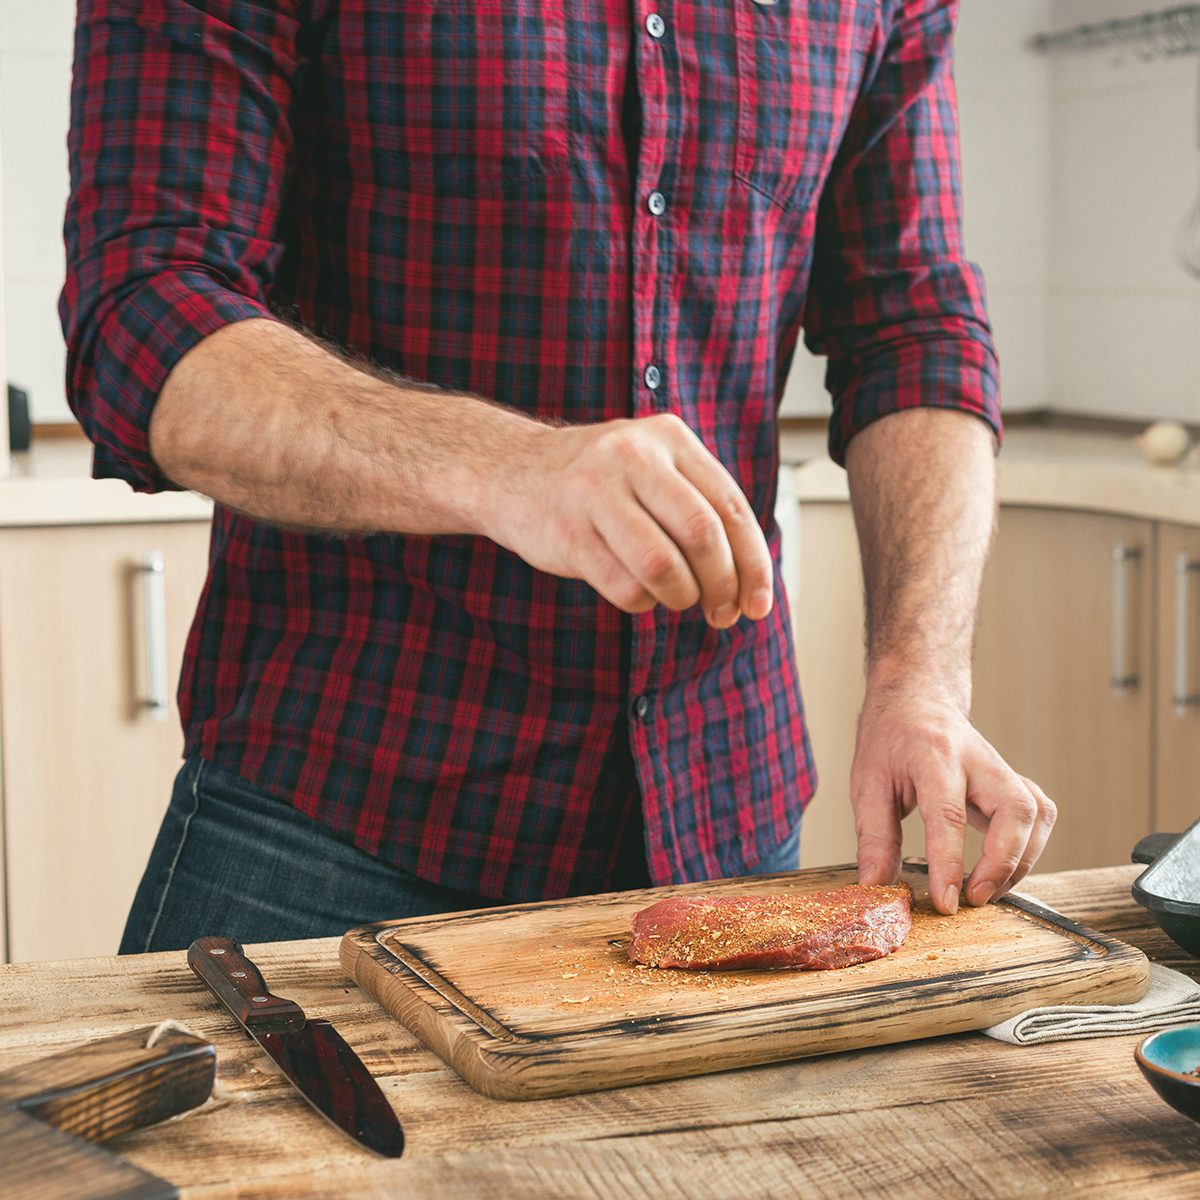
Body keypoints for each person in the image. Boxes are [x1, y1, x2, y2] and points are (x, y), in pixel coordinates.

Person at [60, 0, 1055, 953]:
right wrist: (508, 467)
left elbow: (913, 325)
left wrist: (917, 681)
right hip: (335, 814)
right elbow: (145, 308)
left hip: (724, 812)